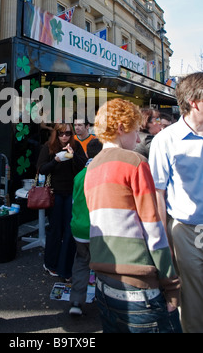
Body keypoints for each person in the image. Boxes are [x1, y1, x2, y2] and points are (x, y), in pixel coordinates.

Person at [84, 98, 181, 333]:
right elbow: (153, 230)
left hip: (104, 285)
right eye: (135, 131)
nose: (138, 139)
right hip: (140, 287)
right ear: (120, 128)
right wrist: (171, 284)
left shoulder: (91, 168)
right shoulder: (135, 163)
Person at [149, 72, 203, 333]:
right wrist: (165, 244)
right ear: (194, 101)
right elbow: (157, 194)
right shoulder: (165, 140)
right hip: (187, 232)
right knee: (193, 304)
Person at [37, 123, 87, 280]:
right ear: (56, 134)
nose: (64, 136)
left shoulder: (76, 145)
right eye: (61, 133)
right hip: (55, 193)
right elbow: (41, 169)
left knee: (69, 230)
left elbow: (84, 166)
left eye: (67, 133)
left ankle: (65, 266)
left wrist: (74, 156)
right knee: (55, 229)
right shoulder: (48, 147)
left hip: (71, 192)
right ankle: (50, 263)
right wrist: (56, 160)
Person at [69, 138, 102, 316]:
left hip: (79, 227)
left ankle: (76, 301)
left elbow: (74, 202)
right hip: (98, 228)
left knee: (81, 263)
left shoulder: (79, 176)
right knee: (102, 264)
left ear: (87, 153)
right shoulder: (104, 174)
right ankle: (104, 299)